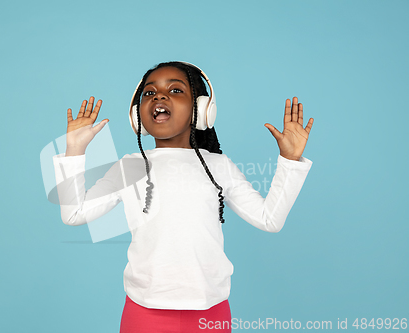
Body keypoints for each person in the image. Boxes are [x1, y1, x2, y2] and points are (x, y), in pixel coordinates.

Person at [52, 61, 314, 333]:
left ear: (201, 110)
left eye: (175, 90)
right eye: (149, 93)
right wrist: (74, 150)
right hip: (144, 312)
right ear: (136, 115)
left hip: (210, 313)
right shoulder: (128, 167)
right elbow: (73, 213)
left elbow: (269, 219)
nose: (159, 97)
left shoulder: (218, 166)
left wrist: (290, 160)